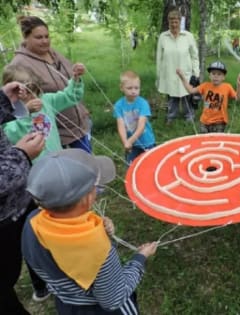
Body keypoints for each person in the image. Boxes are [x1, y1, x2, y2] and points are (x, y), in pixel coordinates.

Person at [22, 148, 158, 314]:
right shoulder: (98, 249)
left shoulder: (32, 221)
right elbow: (114, 298)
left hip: (67, 304)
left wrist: (98, 227)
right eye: (96, 186)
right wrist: (140, 258)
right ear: (87, 198)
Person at [9, 15, 92, 153]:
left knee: (87, 166)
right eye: (39, 37)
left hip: (80, 126)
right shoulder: (19, 64)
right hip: (58, 134)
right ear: (26, 37)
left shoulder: (53, 53)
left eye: (47, 36)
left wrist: (77, 75)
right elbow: (16, 104)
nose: (45, 41)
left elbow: (69, 89)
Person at [0, 81, 45, 315]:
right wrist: (20, 156)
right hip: (4, 220)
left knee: (35, 244)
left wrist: (3, 101)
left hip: (18, 204)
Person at [2, 63, 85, 161]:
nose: (33, 96)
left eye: (35, 90)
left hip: (57, 159)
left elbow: (70, 97)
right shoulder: (6, 114)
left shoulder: (45, 100)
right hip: (33, 168)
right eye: (27, 92)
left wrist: (75, 79)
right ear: (12, 93)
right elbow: (12, 135)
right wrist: (25, 112)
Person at [156, 8, 199, 125]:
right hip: (169, 71)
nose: (174, 24)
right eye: (171, 21)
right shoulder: (163, 37)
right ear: (168, 22)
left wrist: (196, 72)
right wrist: (159, 75)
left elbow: (195, 56)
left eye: (176, 21)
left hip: (186, 72)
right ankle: (171, 116)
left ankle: (189, 116)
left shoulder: (188, 36)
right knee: (172, 95)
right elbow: (159, 57)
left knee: (186, 94)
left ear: (180, 22)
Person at [176, 61, 240, 133]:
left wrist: (239, 85)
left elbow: (238, 98)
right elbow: (191, 91)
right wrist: (182, 77)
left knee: (216, 141)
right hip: (204, 121)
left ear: (223, 77)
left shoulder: (227, 87)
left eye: (219, 74)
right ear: (209, 76)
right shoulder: (205, 85)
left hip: (219, 122)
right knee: (205, 141)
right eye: (213, 73)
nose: (216, 76)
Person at [113, 70, 156, 164]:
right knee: (132, 165)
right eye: (129, 88)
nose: (133, 91)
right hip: (132, 145)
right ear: (121, 88)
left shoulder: (143, 103)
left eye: (136, 88)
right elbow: (121, 125)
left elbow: (141, 126)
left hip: (146, 141)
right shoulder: (118, 105)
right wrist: (125, 142)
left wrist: (130, 141)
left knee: (150, 164)